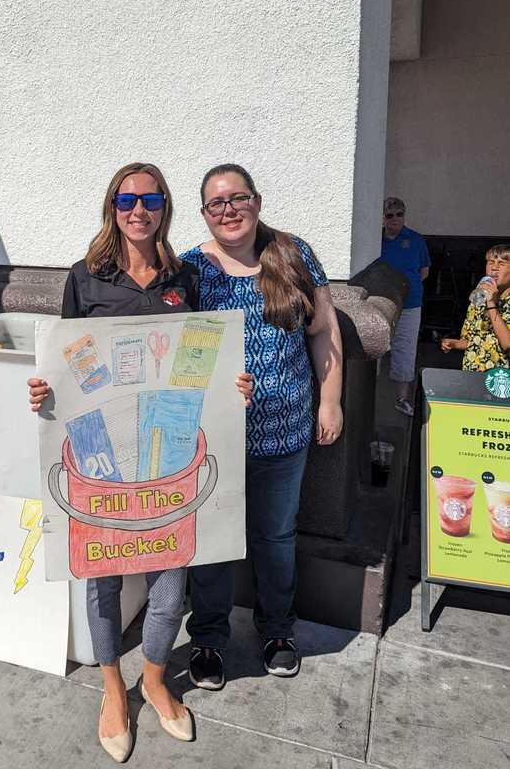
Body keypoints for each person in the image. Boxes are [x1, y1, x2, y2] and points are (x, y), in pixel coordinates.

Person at [27, 162, 252, 762]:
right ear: (113, 206)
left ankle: (153, 679)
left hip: (169, 446)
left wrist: (235, 388)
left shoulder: (183, 277)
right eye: (127, 199)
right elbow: (66, 357)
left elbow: (204, 354)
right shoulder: (85, 276)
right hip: (99, 445)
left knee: (169, 572)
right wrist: (44, 391)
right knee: (100, 572)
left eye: (149, 198)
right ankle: (110, 689)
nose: (138, 209)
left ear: (164, 208)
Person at [181, 164, 343, 690]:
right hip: (215, 438)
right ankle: (208, 637)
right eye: (216, 203)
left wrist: (332, 401)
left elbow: (324, 331)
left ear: (256, 200)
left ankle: (277, 630)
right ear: (204, 213)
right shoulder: (190, 269)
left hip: (285, 431)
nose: (228, 210)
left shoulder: (293, 254)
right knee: (212, 543)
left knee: (275, 538)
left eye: (237, 198)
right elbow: (176, 349)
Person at [380, 196, 430, 417]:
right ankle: (369, 396)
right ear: (382, 218)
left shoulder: (416, 240)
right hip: (380, 302)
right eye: (390, 215)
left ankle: (402, 398)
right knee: (376, 346)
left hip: (409, 304)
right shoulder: (375, 238)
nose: (395, 219)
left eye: (400, 214)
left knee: (405, 350)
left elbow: (424, 271)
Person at [441, 243, 510, 371]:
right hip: (473, 376)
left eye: (501, 264)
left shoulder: (493, 301)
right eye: (490, 262)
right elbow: (473, 340)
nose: (494, 267)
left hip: (501, 380)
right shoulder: (478, 298)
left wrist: (491, 303)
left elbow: (507, 344)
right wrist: (455, 344)